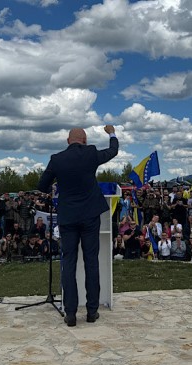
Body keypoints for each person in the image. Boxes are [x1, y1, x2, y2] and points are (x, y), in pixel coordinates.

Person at [38, 125, 118, 327]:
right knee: (92, 262)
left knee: (69, 263)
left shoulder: (57, 159)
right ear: (84, 140)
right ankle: (92, 311)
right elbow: (112, 151)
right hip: (90, 215)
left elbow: (42, 186)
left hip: (67, 217)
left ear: (67, 141)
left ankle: (71, 313)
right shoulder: (91, 153)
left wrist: (55, 186)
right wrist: (112, 134)